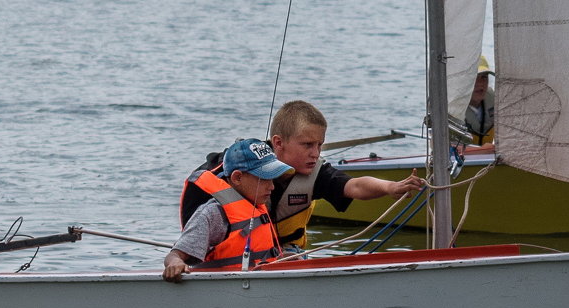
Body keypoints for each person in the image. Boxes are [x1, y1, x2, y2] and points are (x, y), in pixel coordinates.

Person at [180, 100, 425, 254]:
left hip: (287, 257)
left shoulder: (314, 173)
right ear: (278, 143)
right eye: (307, 144)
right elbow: (195, 222)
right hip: (228, 264)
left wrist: (391, 187)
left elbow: (356, 186)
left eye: (320, 145)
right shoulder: (238, 169)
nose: (315, 153)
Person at [164, 138, 292, 282]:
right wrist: (175, 263)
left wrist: (285, 258)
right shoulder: (214, 213)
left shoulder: (259, 205)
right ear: (237, 177)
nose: (272, 187)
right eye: (264, 179)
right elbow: (174, 255)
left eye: (273, 179)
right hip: (221, 292)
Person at [464, 55, 495, 145]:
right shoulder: (452, 107)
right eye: (474, 77)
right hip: (458, 158)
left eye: (484, 77)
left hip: (487, 157)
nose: (480, 83)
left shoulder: (495, 100)